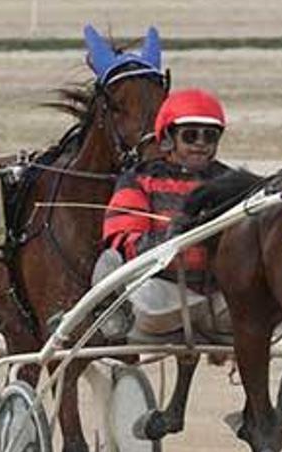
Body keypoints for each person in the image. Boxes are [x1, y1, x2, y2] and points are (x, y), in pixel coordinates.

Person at [96, 88, 240, 341]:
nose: (200, 144)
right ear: (167, 140)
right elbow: (123, 240)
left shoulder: (230, 181)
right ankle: (111, 319)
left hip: (219, 299)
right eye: (190, 136)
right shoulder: (139, 179)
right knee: (109, 260)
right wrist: (171, 238)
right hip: (160, 295)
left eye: (209, 137)